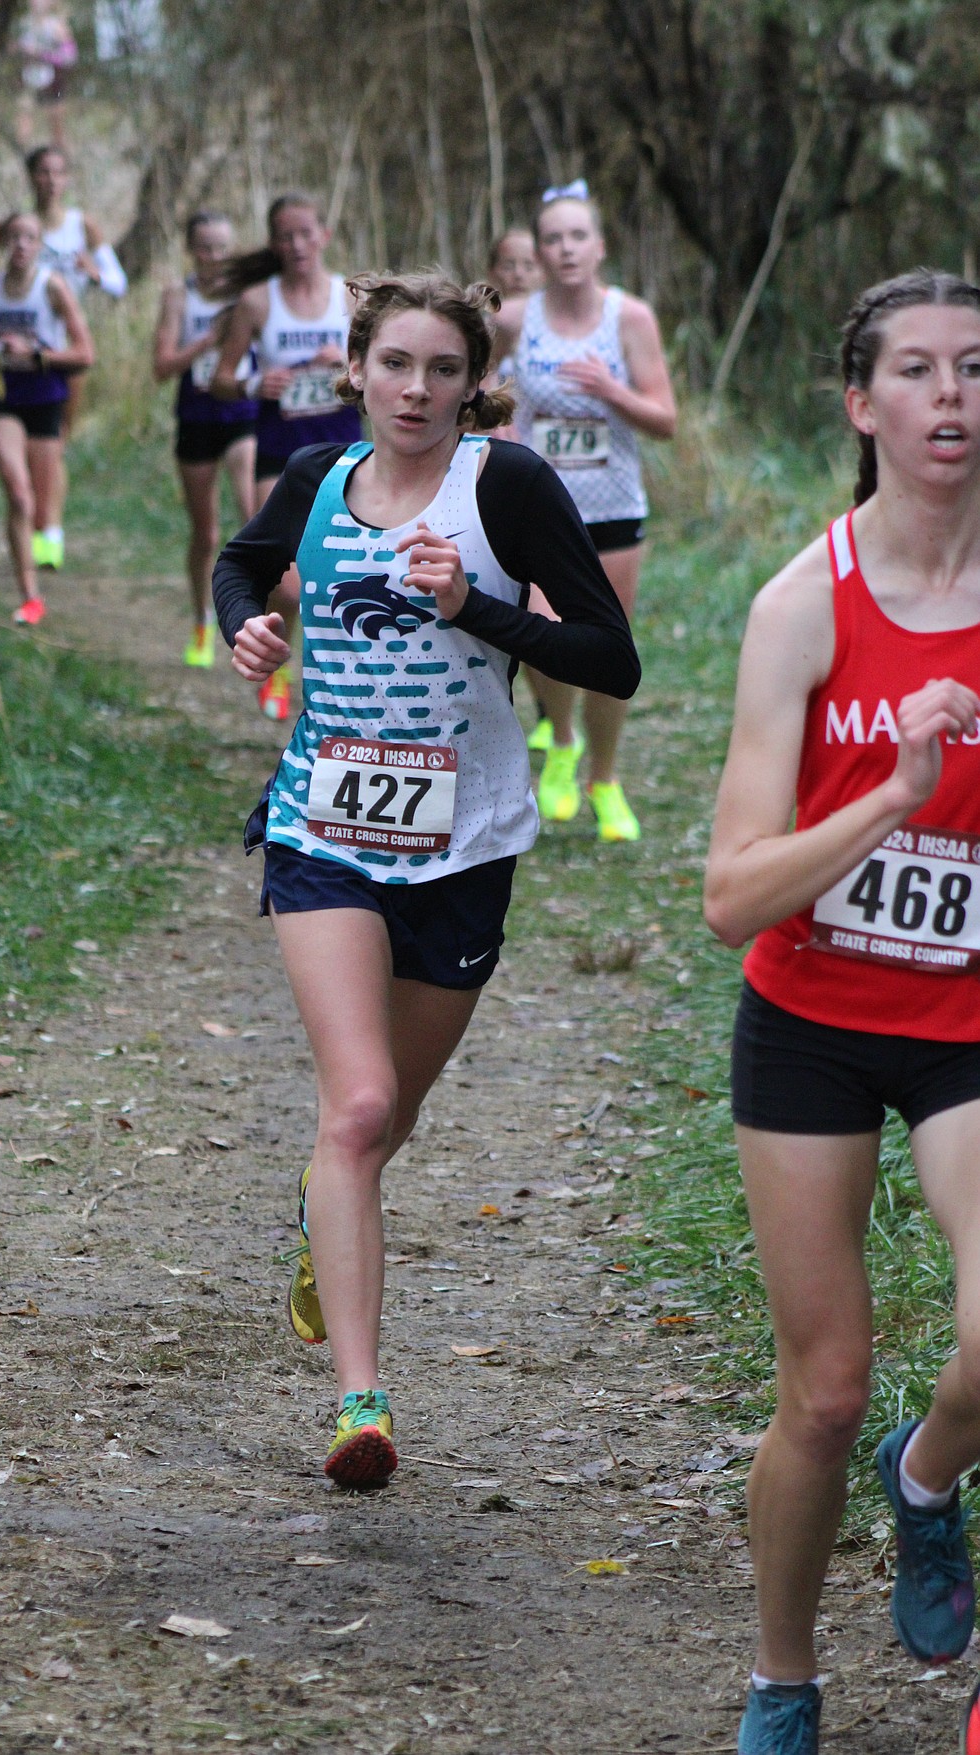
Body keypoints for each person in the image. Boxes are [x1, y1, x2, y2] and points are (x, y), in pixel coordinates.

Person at [212, 271, 640, 1489]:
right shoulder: (316, 484)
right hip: (321, 831)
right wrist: (251, 623)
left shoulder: (506, 486)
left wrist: (476, 610)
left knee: (388, 1116)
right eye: (395, 365)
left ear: (473, 382)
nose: (416, 390)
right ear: (354, 368)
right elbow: (243, 569)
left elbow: (613, 661)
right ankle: (363, 1403)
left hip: (465, 847)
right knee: (354, 1108)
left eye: (443, 370)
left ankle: (321, 1212)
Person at [704, 269, 980, 1755]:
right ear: (860, 403)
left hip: (971, 1023)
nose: (952, 395)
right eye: (919, 370)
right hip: (808, 1014)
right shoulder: (799, 605)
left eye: (976, 367)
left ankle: (929, 1476)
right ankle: (781, 1671)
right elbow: (731, 895)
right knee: (817, 1393)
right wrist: (891, 796)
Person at [496, 179, 675, 832]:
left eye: (578, 236)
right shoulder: (516, 319)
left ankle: (605, 777)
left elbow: (665, 419)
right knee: (544, 636)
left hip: (613, 509)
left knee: (608, 649)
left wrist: (612, 391)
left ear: (599, 247)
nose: (566, 249)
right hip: (541, 506)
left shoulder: (629, 318)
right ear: (537, 251)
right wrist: (496, 424)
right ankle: (562, 739)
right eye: (553, 238)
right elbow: (479, 385)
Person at [211, 193, 361, 723]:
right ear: (274, 242)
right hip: (279, 453)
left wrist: (345, 363)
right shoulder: (257, 301)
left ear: (323, 234)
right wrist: (256, 382)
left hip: (346, 454)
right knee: (287, 584)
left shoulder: (351, 298)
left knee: (343, 576)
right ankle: (276, 663)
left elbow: (384, 368)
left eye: (306, 233)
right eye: (285, 235)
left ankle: (342, 688)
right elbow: (220, 380)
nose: (297, 244)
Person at [0, 146, 127, 572]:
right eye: (42, 172)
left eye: (58, 172)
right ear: (31, 177)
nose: (51, 180)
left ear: (67, 179)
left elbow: (117, 283)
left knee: (58, 440)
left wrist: (95, 275)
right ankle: (44, 531)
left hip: (67, 347)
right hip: (16, 350)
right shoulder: (18, 226)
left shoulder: (81, 225)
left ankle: (48, 527)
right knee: (43, 447)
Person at [0, 213, 93, 624]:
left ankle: (49, 537)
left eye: (30, 238)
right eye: (15, 237)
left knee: (41, 501)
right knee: (18, 495)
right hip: (1, 392)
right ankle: (29, 597)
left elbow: (84, 353)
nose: (21, 244)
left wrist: (37, 355)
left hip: (44, 394)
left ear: (40, 245)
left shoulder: (52, 287)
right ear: (5, 242)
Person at [153, 211, 258, 668]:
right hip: (195, 417)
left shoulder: (251, 295)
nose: (215, 256)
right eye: (205, 247)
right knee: (206, 532)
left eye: (222, 247)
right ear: (191, 251)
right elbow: (161, 367)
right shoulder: (179, 296)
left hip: (241, 414)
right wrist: (209, 342)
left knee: (252, 516)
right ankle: (201, 621)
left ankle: (256, 624)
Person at [15, 0, 77, 152]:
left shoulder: (57, 26)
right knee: (24, 115)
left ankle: (60, 156)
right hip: (27, 79)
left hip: (52, 80)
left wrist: (42, 55)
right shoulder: (22, 24)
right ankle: (22, 153)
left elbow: (70, 56)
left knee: (56, 121)